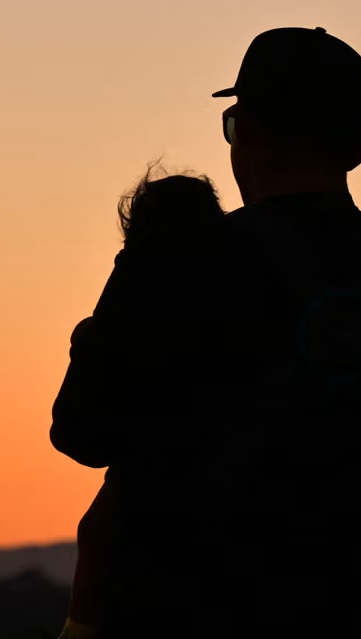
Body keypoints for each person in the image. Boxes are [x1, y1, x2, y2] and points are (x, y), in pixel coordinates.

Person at [50, 26, 361, 639]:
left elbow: (81, 430)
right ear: (360, 147)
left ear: (246, 131)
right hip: (343, 612)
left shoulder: (179, 256)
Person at [56, 172, 225, 639]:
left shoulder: (139, 278)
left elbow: (75, 432)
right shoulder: (252, 274)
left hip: (148, 557)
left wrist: (87, 341)